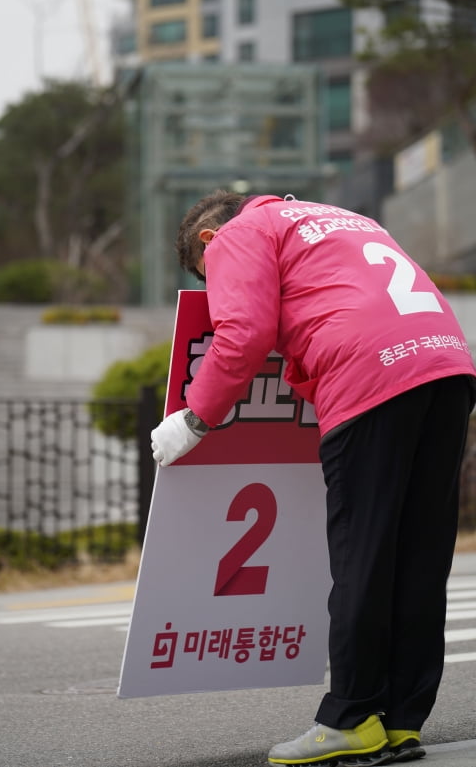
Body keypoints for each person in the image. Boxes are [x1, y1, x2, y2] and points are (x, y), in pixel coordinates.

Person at [150, 190, 476, 766]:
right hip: (446, 363)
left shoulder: (237, 234)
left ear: (208, 240)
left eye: (209, 276)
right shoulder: (345, 219)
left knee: (364, 555)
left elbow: (243, 332)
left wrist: (196, 418)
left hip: (371, 373)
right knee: (419, 555)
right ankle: (400, 719)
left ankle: (351, 718)